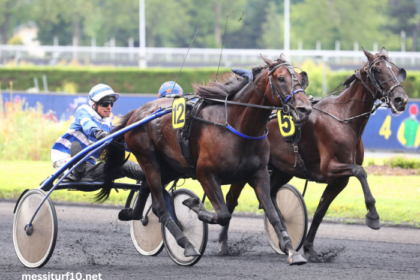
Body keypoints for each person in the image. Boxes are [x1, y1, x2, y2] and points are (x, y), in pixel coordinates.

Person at [50, 83, 144, 185]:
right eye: (105, 103)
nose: (109, 107)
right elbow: (87, 125)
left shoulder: (107, 124)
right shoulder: (84, 110)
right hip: (65, 159)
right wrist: (98, 133)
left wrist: (138, 147)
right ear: (93, 104)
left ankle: (146, 174)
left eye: (111, 103)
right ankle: (72, 170)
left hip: (89, 167)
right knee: (124, 165)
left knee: (125, 166)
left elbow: (120, 143)